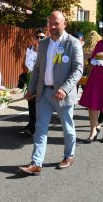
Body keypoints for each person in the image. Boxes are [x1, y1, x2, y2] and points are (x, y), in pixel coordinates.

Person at [19, 11, 83, 175]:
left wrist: (64, 88)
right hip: (44, 93)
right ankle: (36, 162)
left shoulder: (73, 43)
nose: (53, 27)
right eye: (50, 24)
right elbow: (38, 69)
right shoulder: (44, 43)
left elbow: (78, 70)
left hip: (62, 94)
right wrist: (31, 89)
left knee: (67, 127)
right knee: (40, 128)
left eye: (56, 23)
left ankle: (69, 156)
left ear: (64, 24)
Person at [79, 21, 103, 143]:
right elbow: (93, 58)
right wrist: (91, 60)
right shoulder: (99, 44)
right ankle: (93, 131)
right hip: (97, 77)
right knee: (93, 106)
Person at [22, 29, 46, 136]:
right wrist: (27, 68)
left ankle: (33, 126)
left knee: (39, 106)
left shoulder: (47, 49)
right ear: (34, 38)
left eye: (42, 37)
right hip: (31, 80)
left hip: (43, 82)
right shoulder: (30, 50)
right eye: (38, 37)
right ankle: (31, 125)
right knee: (31, 104)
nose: (40, 39)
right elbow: (24, 64)